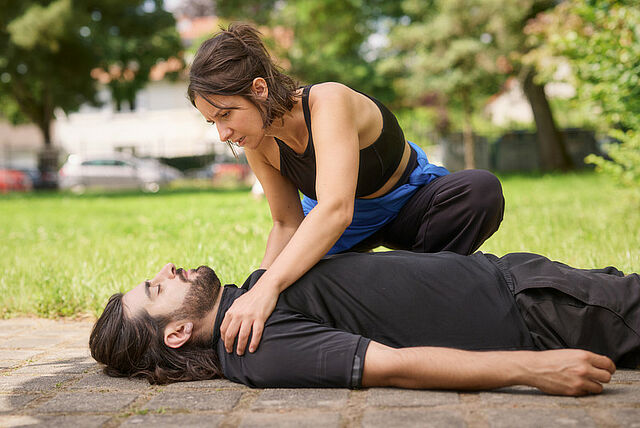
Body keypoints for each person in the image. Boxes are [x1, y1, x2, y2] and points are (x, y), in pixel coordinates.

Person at [187, 23, 505, 356]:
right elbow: (286, 223)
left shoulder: (328, 101)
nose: (223, 134)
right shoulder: (257, 142)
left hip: (410, 207)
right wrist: (256, 288)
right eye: (214, 122)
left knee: (479, 191)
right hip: (341, 231)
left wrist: (270, 285)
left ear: (259, 89)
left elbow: (336, 209)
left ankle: (427, 299)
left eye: (226, 114)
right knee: (292, 288)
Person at [89, 250, 639, 396]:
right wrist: (535, 370)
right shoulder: (256, 345)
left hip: (523, 280)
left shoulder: (249, 301)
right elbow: (396, 368)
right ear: (177, 334)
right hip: (541, 315)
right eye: (157, 289)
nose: (165, 270)